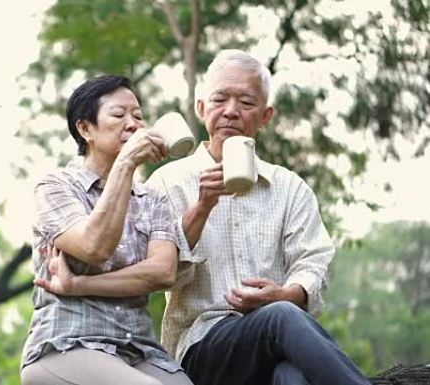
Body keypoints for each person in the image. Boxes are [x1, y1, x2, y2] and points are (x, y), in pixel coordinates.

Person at [145, 50, 371, 385]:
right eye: (220, 99)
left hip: (278, 349)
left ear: (265, 116)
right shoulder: (166, 183)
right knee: (279, 317)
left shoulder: (290, 187)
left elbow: (314, 262)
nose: (232, 111)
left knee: (290, 377)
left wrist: (286, 294)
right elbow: (159, 274)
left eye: (247, 102)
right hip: (203, 351)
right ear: (201, 108)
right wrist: (202, 207)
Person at [20, 75, 193, 385]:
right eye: (118, 115)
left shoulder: (153, 199)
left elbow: (162, 273)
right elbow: (94, 246)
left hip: (139, 351)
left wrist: (79, 285)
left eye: (138, 116)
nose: (133, 124)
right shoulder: (55, 187)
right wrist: (126, 163)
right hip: (66, 344)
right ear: (85, 129)